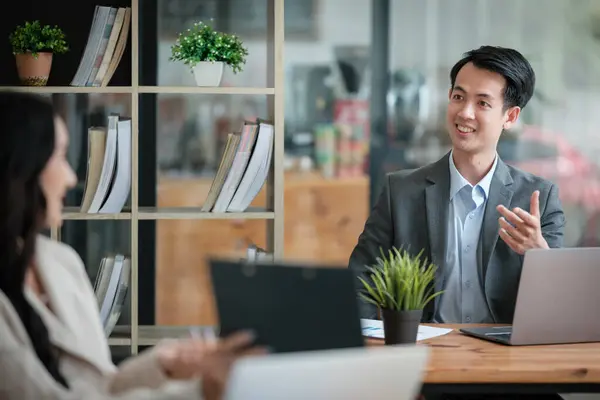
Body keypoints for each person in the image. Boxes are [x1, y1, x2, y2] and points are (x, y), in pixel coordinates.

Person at [0, 92, 265, 399]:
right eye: (59, 156)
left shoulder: (61, 262)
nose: (71, 178)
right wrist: (199, 391)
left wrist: (166, 364)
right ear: (20, 168)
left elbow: (102, 387)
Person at [349, 45, 565, 326]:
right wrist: (369, 343)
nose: (465, 113)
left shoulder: (539, 199)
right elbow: (359, 279)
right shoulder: (400, 192)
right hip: (425, 351)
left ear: (510, 117)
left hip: (507, 356)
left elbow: (560, 306)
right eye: (458, 97)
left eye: (482, 103)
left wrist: (539, 256)